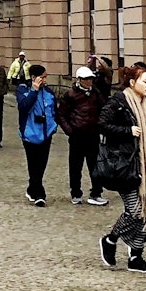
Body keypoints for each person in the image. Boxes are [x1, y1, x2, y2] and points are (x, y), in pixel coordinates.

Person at [97, 66, 146, 273]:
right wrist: (127, 131)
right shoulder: (120, 102)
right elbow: (102, 124)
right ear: (131, 83)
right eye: (144, 82)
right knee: (136, 210)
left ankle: (135, 257)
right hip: (124, 165)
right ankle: (110, 239)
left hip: (144, 166)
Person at [60, 66, 110, 206]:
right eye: (86, 79)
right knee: (75, 166)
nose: (89, 81)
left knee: (95, 165)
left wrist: (101, 126)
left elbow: (103, 109)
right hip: (77, 135)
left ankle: (96, 193)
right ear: (79, 80)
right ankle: (75, 192)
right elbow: (61, 114)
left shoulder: (95, 93)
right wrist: (70, 130)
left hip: (92, 135)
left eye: (91, 79)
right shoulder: (70, 95)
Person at [15, 64, 59, 206]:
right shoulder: (23, 89)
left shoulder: (49, 92)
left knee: (41, 164)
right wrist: (34, 90)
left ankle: (32, 188)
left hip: (46, 133)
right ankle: (39, 194)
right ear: (34, 78)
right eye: (43, 77)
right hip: (30, 134)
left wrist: (53, 126)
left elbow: (53, 111)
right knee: (33, 164)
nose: (45, 80)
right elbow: (23, 106)